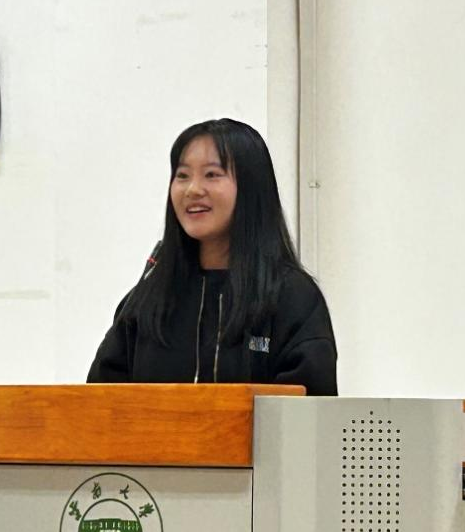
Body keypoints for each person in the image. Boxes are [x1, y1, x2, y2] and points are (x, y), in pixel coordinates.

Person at [87, 118, 337, 395]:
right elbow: (99, 402)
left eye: (212, 174)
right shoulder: (146, 300)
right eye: (182, 175)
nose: (193, 189)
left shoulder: (292, 297)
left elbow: (309, 408)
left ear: (251, 187)